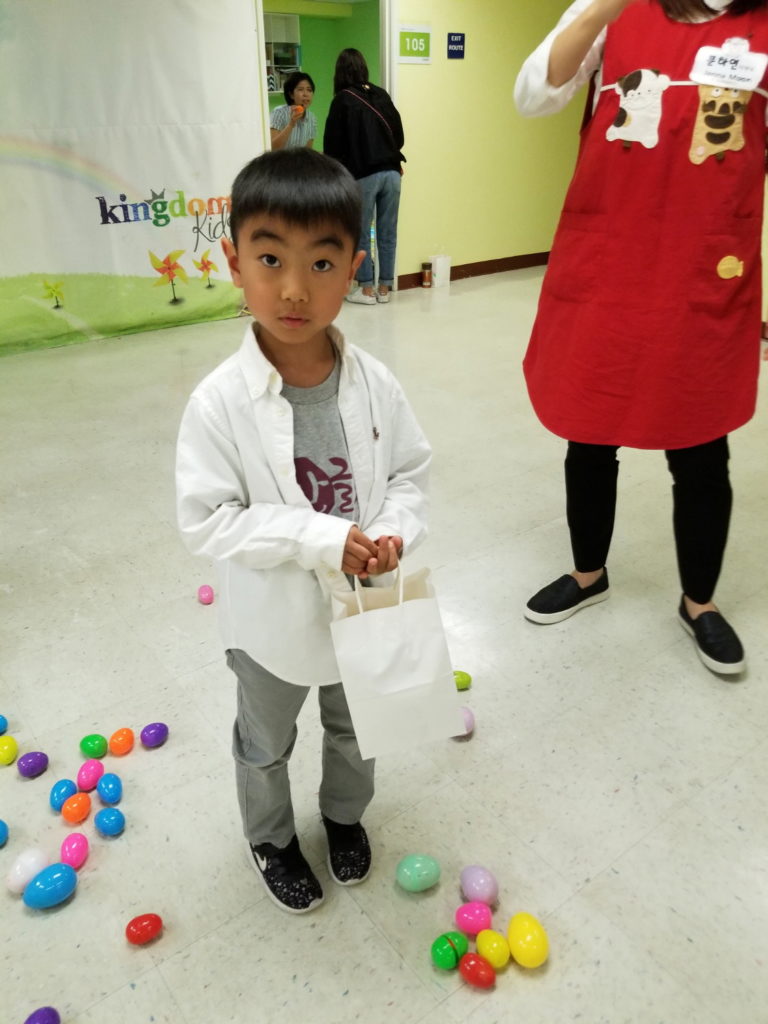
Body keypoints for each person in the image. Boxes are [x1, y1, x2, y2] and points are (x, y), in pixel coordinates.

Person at [175, 148, 431, 913]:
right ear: (234, 262)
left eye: (321, 263)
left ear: (354, 267)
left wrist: (394, 532)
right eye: (270, 259)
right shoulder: (218, 403)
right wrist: (314, 537)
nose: (294, 288)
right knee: (266, 741)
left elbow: (410, 473)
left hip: (366, 604)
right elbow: (206, 520)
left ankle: (344, 817)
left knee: (358, 726)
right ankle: (271, 836)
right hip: (271, 625)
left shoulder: (375, 382)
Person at [514, 0, 768, 675]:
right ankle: (588, 572)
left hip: (703, 270)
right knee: (591, 430)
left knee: (701, 445)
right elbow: (534, 95)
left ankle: (699, 603)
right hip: (611, 265)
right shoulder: (614, 11)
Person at [323, 48, 405, 305]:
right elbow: (399, 135)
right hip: (392, 172)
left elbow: (332, 147)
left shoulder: (342, 100)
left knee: (360, 233)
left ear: (339, 72)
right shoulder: (381, 94)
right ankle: (385, 288)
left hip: (363, 175)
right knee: (387, 232)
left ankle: (366, 289)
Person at [270, 71, 317, 150]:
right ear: (291, 94)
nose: (305, 94)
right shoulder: (279, 113)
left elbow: (308, 151)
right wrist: (291, 124)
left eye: (309, 90)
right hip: (280, 158)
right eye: (300, 89)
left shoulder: (312, 118)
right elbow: (272, 148)